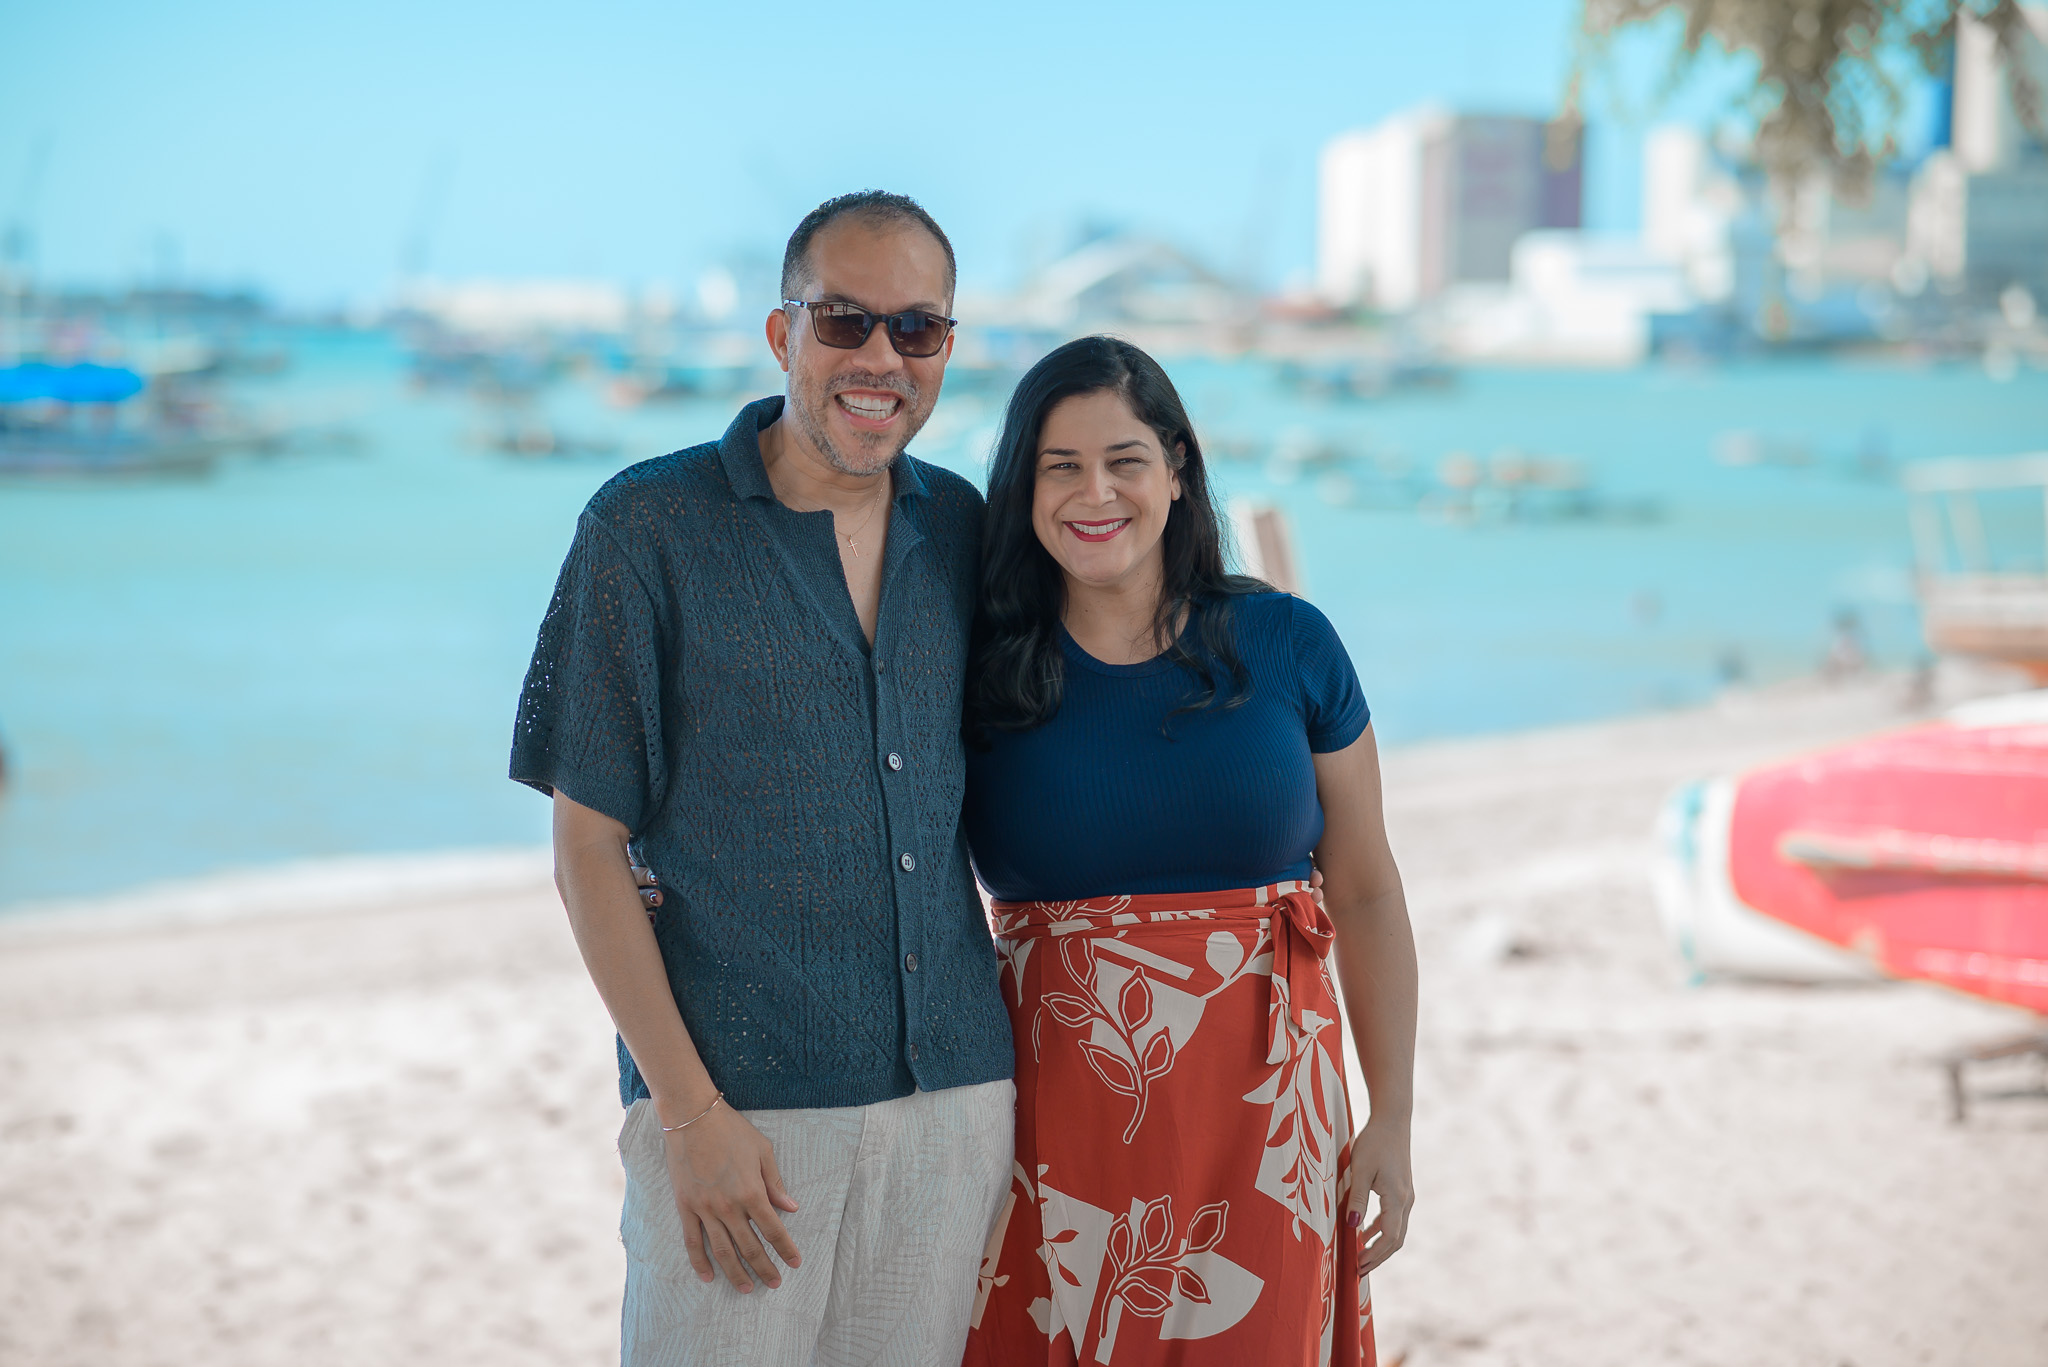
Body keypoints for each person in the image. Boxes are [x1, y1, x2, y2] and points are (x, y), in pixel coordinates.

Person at [509, 191, 1016, 1366]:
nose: (879, 357)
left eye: (915, 327)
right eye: (843, 321)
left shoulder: (964, 527)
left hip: (955, 1106)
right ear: (783, 333)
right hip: (737, 1112)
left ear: (946, 347)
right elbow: (587, 843)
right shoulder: (646, 526)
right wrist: (687, 1113)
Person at [959, 337, 1418, 1365]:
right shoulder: (978, 667)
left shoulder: (1288, 640)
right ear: (1023, 489)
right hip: (1054, 1120)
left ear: (1176, 468)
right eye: (1060, 466)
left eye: (1123, 459)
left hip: (1271, 1112)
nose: (1095, 493)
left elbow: (1365, 888)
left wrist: (1391, 1114)